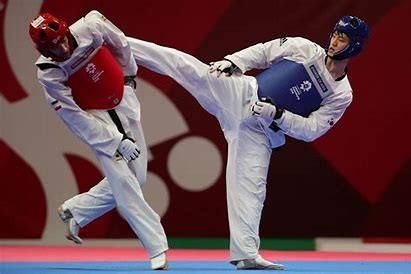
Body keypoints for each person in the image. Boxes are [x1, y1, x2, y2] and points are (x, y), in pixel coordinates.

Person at [126, 15, 369, 270]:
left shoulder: (342, 94)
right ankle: (120, 43)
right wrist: (234, 62)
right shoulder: (305, 49)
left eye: (343, 38)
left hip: (260, 131)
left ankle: (246, 255)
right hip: (241, 92)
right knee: (183, 64)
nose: (334, 41)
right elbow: (264, 52)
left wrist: (278, 115)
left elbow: (312, 129)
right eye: (335, 34)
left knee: (251, 191)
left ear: (355, 46)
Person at [29, 11, 168, 270]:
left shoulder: (91, 26)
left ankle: (76, 210)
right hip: (95, 119)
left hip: (122, 97)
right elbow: (74, 117)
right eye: (53, 47)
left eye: (62, 41)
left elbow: (121, 43)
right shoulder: (48, 73)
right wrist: (115, 141)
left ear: (67, 31)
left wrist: (128, 77)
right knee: (124, 183)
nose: (62, 48)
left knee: (138, 177)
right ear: (44, 51)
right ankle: (157, 248)